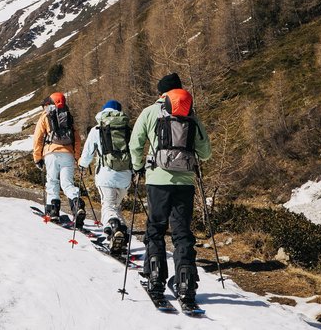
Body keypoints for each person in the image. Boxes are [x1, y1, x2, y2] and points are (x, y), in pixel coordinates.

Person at [129, 73, 212, 305]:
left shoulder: (149, 112)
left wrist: (138, 168)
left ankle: (155, 277)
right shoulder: (191, 115)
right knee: (182, 233)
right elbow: (206, 153)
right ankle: (185, 283)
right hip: (184, 183)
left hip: (157, 180)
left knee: (155, 229)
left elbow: (135, 143)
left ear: (161, 93)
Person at [78, 99, 132, 254]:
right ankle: (118, 232)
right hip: (125, 176)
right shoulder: (127, 129)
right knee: (115, 205)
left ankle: (114, 226)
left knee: (108, 206)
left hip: (106, 174)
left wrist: (82, 165)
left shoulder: (97, 129)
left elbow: (88, 153)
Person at [33, 92, 84, 227]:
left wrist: (37, 158)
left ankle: (53, 211)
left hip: (51, 154)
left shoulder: (45, 116)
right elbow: (77, 138)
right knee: (67, 184)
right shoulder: (68, 116)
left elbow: (38, 138)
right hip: (68, 153)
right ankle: (77, 204)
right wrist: (77, 156)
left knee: (52, 182)